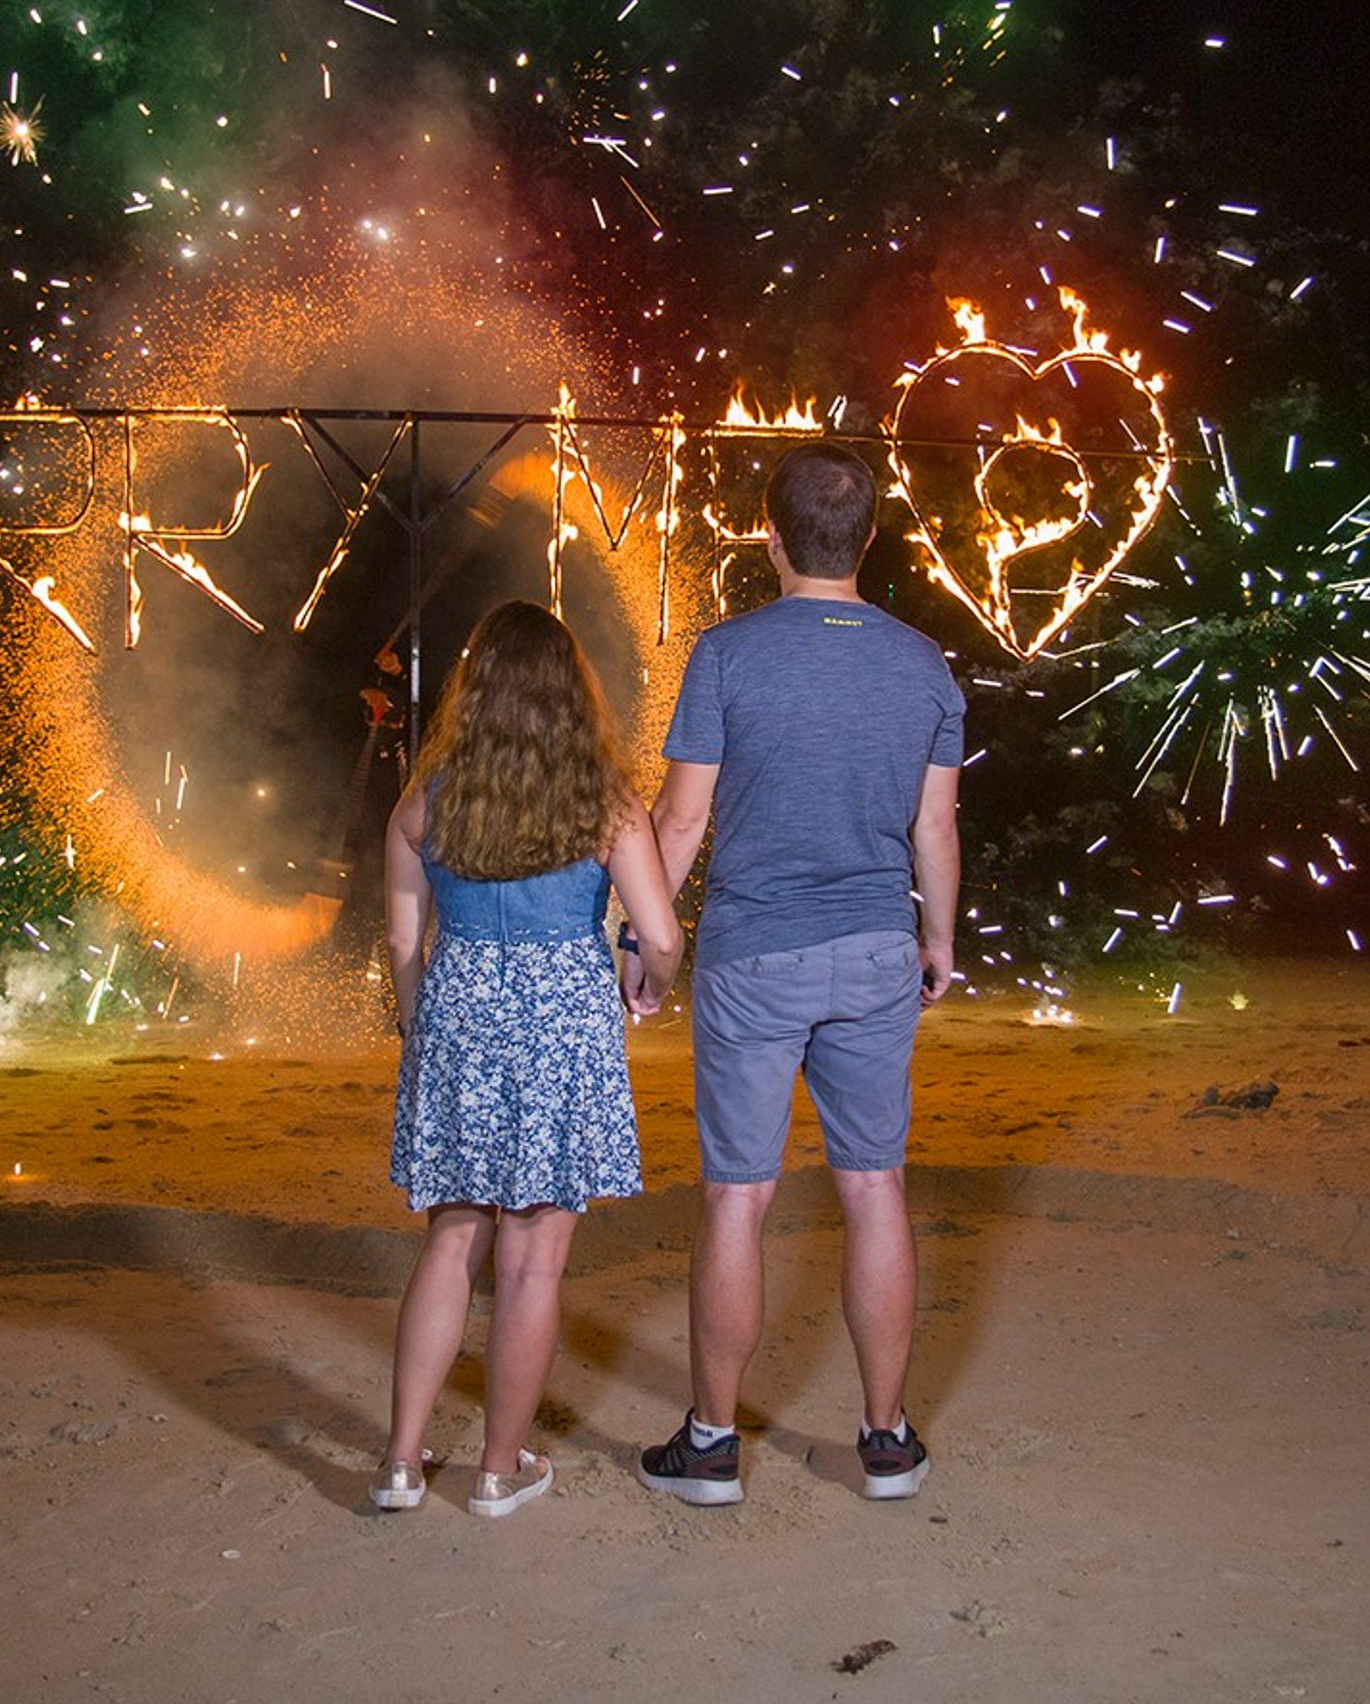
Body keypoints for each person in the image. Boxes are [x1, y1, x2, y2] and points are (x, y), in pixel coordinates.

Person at [627, 439, 963, 1505]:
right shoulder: (924, 664)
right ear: (869, 537)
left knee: (739, 1197)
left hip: (754, 954)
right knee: (874, 1187)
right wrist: (938, 938)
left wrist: (639, 942)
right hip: (873, 951)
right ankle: (887, 1441)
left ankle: (714, 1445)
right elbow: (937, 827)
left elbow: (679, 821)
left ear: (768, 536)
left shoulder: (727, 655)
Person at [373, 600, 683, 1518]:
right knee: (534, 1262)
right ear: (568, 696)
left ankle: (398, 1464)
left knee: (452, 1238)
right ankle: (500, 1471)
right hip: (562, 1030)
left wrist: (422, 1035)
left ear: (475, 695)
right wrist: (649, 980)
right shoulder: (605, 800)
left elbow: (400, 946)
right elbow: (660, 935)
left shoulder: (424, 805)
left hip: (460, 1017)